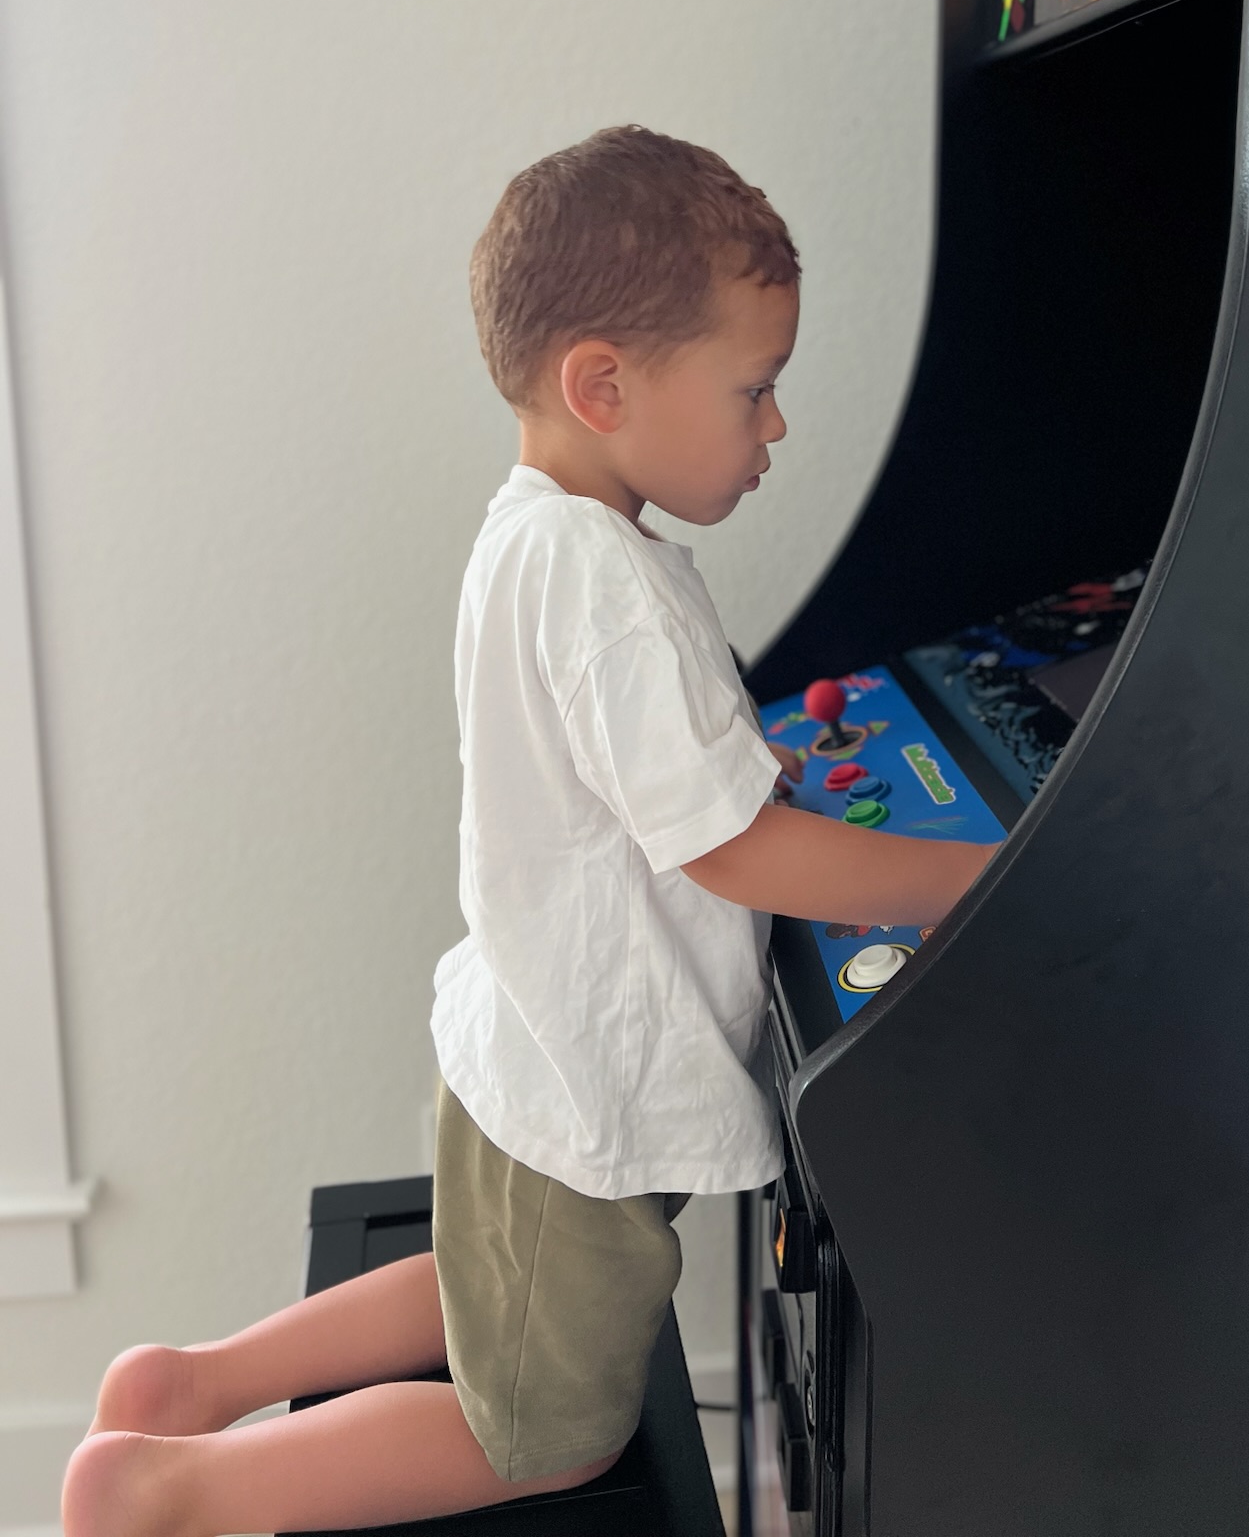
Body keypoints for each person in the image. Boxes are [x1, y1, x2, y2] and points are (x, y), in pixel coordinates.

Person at [63, 127, 998, 1537]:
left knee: (482, 1290)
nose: (776, 428)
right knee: (546, 1434)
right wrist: (983, 881)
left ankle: (196, 1383)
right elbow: (732, 849)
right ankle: (174, 1491)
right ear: (603, 386)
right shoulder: (603, 584)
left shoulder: (540, 535)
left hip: (530, 1049)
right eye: (755, 389)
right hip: (584, 1091)